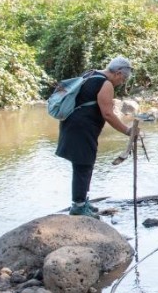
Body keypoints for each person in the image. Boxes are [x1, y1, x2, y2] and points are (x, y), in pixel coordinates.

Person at [55, 57, 136, 217]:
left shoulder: (90, 74)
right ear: (118, 73)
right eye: (123, 78)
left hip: (72, 124)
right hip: (82, 128)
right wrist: (127, 131)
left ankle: (82, 201)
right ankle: (78, 207)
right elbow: (107, 114)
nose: (122, 82)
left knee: (83, 164)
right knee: (83, 165)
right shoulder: (105, 84)